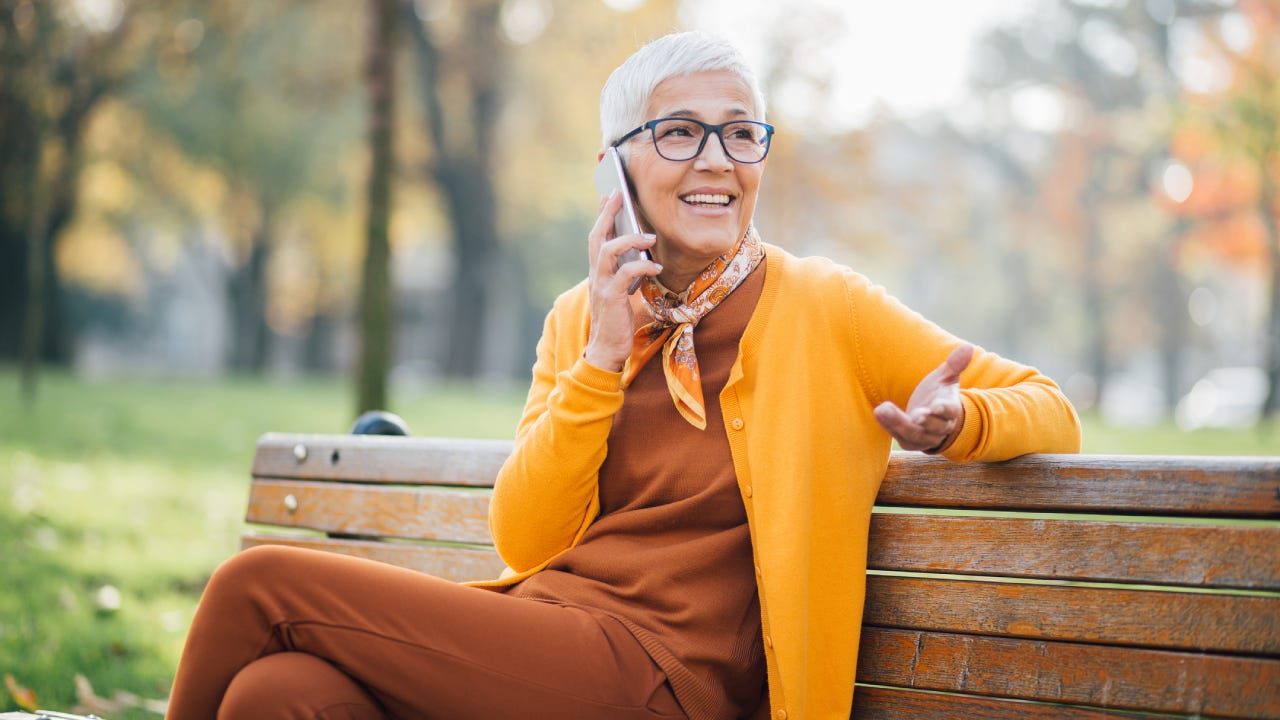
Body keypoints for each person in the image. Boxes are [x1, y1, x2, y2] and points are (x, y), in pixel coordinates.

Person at [165, 30, 1080, 720]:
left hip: (672, 681)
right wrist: (602, 357)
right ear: (616, 167)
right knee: (275, 695)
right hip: (556, 642)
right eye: (680, 133)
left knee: (256, 588)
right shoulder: (581, 315)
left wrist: (957, 423)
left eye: (739, 135)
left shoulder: (824, 306)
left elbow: (1051, 407)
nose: (718, 160)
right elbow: (527, 542)